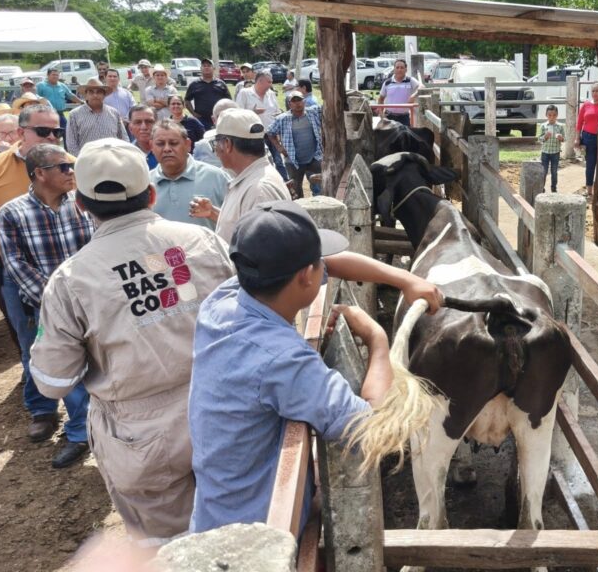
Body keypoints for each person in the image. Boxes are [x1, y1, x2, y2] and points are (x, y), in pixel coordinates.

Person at [188, 200, 444, 533]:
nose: (325, 267)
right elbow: (370, 428)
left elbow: (329, 264)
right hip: (257, 540)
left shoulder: (225, 299)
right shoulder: (283, 360)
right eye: (317, 264)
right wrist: (378, 341)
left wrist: (404, 279)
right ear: (306, 276)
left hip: (214, 514)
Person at [29, 137, 237, 543]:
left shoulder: (73, 280)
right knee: (240, 530)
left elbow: (52, 382)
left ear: (82, 205)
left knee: (168, 549)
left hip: (141, 440)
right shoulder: (204, 242)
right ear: (152, 194)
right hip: (225, 412)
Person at [0, 143, 92, 468]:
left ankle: (88, 428)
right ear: (39, 174)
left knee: (93, 364)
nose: (70, 172)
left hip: (88, 301)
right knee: (62, 367)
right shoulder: (13, 213)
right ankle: (78, 431)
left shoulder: (80, 205)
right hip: (45, 307)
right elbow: (16, 265)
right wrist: (56, 302)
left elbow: (94, 250)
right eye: (63, 167)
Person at [0, 104, 74, 422]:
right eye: (43, 131)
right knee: (31, 343)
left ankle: (80, 416)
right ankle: (42, 409)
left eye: (57, 131)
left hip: (65, 272)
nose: (52, 136)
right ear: (22, 131)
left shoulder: (69, 166)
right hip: (15, 271)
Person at [188, 109, 291, 242]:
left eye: (215, 144)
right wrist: (213, 213)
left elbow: (264, 251)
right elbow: (246, 226)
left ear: (227, 144)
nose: (216, 151)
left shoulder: (259, 190)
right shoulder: (251, 178)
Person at [150, 120, 229, 230]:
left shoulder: (216, 177)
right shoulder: (145, 185)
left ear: (188, 145)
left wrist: (213, 213)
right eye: (160, 144)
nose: (167, 149)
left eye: (173, 143)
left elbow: (238, 222)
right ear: (152, 147)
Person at [267, 91, 322, 199]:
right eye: (294, 101)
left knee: (320, 186)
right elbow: (270, 132)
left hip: (314, 157)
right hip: (293, 161)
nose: (298, 103)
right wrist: (279, 147)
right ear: (289, 104)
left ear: (304, 101)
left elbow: (327, 107)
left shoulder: (313, 113)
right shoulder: (282, 119)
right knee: (296, 190)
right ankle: (299, 211)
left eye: (299, 100)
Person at [237, 70, 286, 181]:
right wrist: (252, 112)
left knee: (279, 161)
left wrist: (279, 115)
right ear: (259, 81)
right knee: (262, 163)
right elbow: (238, 113)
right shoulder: (244, 93)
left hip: (271, 134)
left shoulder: (271, 94)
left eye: (271, 82)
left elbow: (277, 111)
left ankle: (285, 183)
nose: (271, 84)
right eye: (269, 82)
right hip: (254, 136)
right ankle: (267, 183)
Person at [66, 78, 128, 157]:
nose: (95, 95)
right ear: (86, 95)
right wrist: (81, 161)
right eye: (91, 92)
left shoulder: (114, 113)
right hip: (87, 162)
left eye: (99, 92)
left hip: (113, 161)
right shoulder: (74, 115)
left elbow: (124, 138)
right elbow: (71, 144)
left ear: (104, 95)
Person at [185, 58, 231, 130]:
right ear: (201, 68)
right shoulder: (194, 84)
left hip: (218, 119)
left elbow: (229, 101)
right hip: (201, 120)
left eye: (209, 65)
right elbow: (187, 101)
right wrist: (193, 113)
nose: (206, 67)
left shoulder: (221, 84)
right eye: (204, 66)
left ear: (214, 68)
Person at [192, 99, 237, 169]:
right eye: (222, 117)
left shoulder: (252, 143)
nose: (226, 120)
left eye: (231, 116)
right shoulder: (202, 147)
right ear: (213, 120)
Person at [377, 59, 421, 126]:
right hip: (389, 117)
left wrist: (414, 95)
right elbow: (380, 99)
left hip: (404, 117)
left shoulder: (410, 81)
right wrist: (381, 115)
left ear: (406, 69)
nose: (399, 70)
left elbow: (422, 86)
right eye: (397, 67)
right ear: (394, 69)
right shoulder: (387, 83)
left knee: (406, 136)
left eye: (402, 67)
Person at [537, 104, 564, 193]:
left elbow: (564, 138)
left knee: (554, 171)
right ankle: (541, 187)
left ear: (557, 115)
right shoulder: (543, 126)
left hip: (555, 152)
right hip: (545, 152)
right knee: (543, 171)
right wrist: (545, 137)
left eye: (554, 115)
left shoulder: (560, 126)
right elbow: (539, 139)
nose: (552, 117)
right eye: (549, 115)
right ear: (546, 115)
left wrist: (561, 138)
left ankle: (554, 188)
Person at [128, 105, 158, 170]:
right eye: (138, 122)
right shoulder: (125, 155)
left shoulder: (169, 152)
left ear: (157, 125)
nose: (144, 127)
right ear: (130, 129)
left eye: (149, 122)